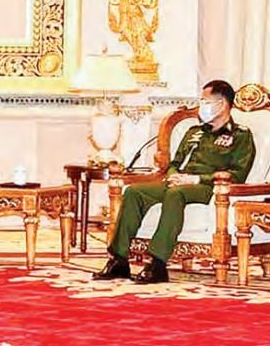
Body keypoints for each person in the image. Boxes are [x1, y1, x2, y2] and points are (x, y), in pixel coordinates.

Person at [94, 80, 255, 284]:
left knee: (175, 194)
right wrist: (172, 175)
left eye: (205, 101)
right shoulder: (194, 132)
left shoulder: (240, 136)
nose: (201, 106)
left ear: (222, 104)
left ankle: (158, 263)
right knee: (134, 191)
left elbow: (238, 174)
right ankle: (119, 260)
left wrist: (196, 179)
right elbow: (175, 163)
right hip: (179, 182)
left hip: (210, 188)